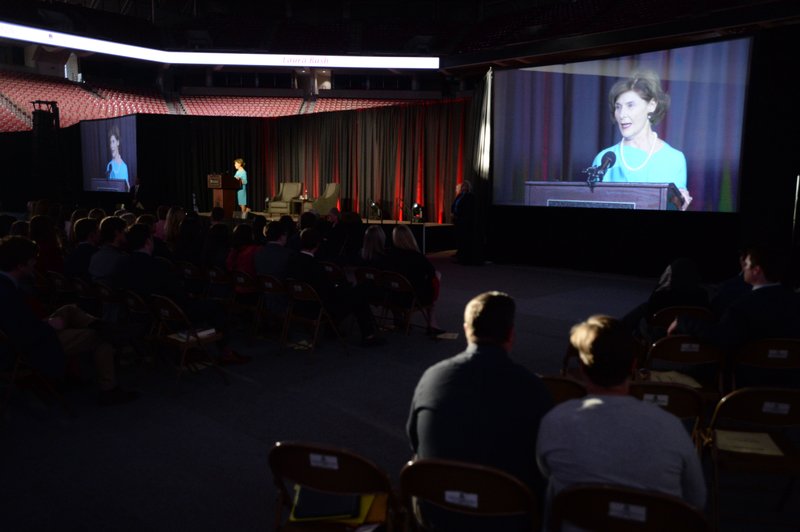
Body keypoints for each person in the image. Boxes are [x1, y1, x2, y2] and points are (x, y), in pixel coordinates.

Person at [407, 291, 553, 530]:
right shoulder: (535, 389)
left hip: (438, 514)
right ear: (511, 334)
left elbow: (414, 442)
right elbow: (546, 462)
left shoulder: (431, 377)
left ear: (466, 329)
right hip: (509, 518)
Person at [536, 315, 706, 519]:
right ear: (633, 365)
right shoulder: (672, 427)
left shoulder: (555, 421)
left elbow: (545, 471)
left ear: (582, 368)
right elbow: (696, 500)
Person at [0, 235, 137, 406]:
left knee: (70, 309)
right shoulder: (6, 294)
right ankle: (109, 386)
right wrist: (48, 324)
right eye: (32, 260)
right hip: (33, 344)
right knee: (101, 338)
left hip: (30, 333)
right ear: (20, 265)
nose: (35, 263)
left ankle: (105, 327)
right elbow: (20, 330)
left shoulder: (6, 284)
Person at [592, 70, 691, 210]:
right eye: (618, 107)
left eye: (630, 105)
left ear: (651, 105)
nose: (622, 114)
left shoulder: (675, 159)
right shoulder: (604, 159)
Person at [385, 224, 443, 334]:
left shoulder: (389, 255)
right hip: (411, 298)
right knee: (436, 277)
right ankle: (432, 322)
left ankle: (398, 318)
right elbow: (432, 273)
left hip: (390, 295)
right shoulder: (417, 257)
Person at [451, 180, 476, 264]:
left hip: (465, 222)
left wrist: (459, 214)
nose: (463, 188)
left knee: (464, 239)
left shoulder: (470, 197)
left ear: (468, 188)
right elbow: (454, 205)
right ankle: (459, 255)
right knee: (458, 239)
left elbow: (468, 209)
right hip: (457, 220)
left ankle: (464, 257)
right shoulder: (459, 196)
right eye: (462, 186)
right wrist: (453, 213)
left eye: (465, 186)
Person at [106, 125, 129, 191]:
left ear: (118, 142)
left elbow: (127, 188)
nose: (111, 146)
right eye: (110, 143)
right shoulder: (109, 166)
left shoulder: (124, 167)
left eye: (113, 142)